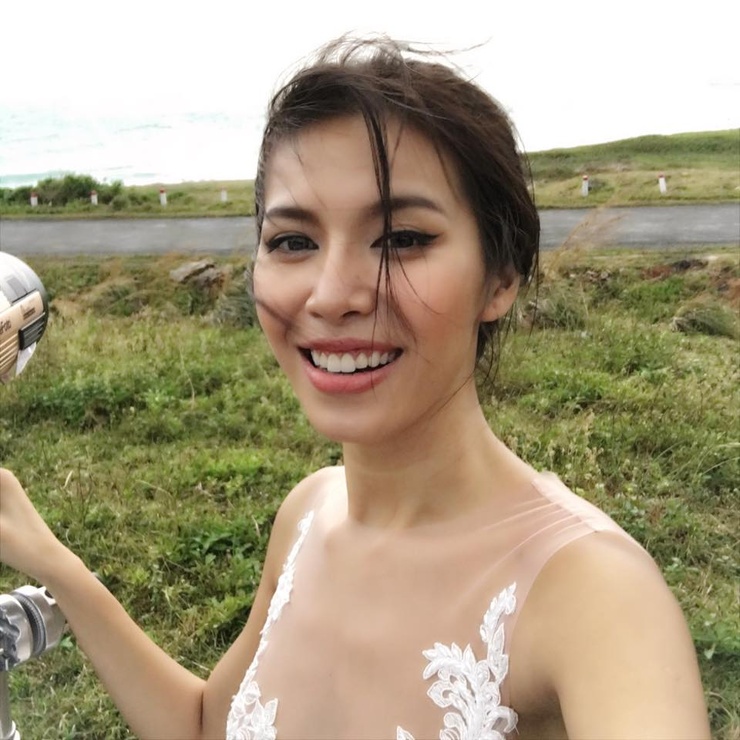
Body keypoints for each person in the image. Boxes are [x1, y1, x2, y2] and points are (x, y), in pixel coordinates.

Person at [0, 37, 710, 739]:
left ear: (500, 278)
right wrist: (54, 563)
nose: (333, 295)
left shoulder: (594, 594)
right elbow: (206, 727)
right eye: (293, 241)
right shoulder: (308, 513)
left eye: (402, 239)